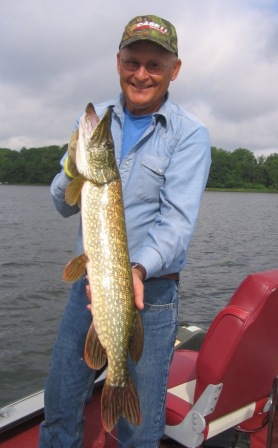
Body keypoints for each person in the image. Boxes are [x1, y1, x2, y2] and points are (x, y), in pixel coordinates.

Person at [39, 14, 211, 448]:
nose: (141, 74)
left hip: (150, 297)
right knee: (59, 404)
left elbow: (176, 224)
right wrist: (70, 165)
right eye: (133, 61)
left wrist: (136, 269)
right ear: (118, 61)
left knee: (139, 430)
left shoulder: (189, 135)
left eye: (154, 65)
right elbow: (62, 204)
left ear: (175, 69)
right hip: (90, 287)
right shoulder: (99, 125)